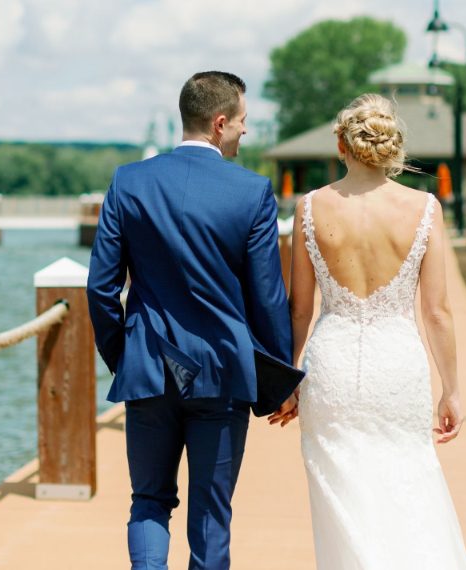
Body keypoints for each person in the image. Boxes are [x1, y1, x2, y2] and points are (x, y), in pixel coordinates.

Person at [87, 71, 295, 570]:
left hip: (147, 371)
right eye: (243, 121)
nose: (246, 131)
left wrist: (125, 356)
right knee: (211, 513)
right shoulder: (252, 193)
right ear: (220, 123)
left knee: (149, 500)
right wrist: (281, 379)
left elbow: (99, 288)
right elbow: (267, 298)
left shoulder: (128, 181)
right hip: (223, 374)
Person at [272, 93, 466, 569]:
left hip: (333, 366)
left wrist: (288, 376)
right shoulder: (424, 208)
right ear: (392, 148)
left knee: (341, 500)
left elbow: (299, 308)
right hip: (398, 366)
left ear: (340, 144)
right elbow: (438, 311)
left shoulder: (310, 207)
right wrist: (452, 390)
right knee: (410, 484)